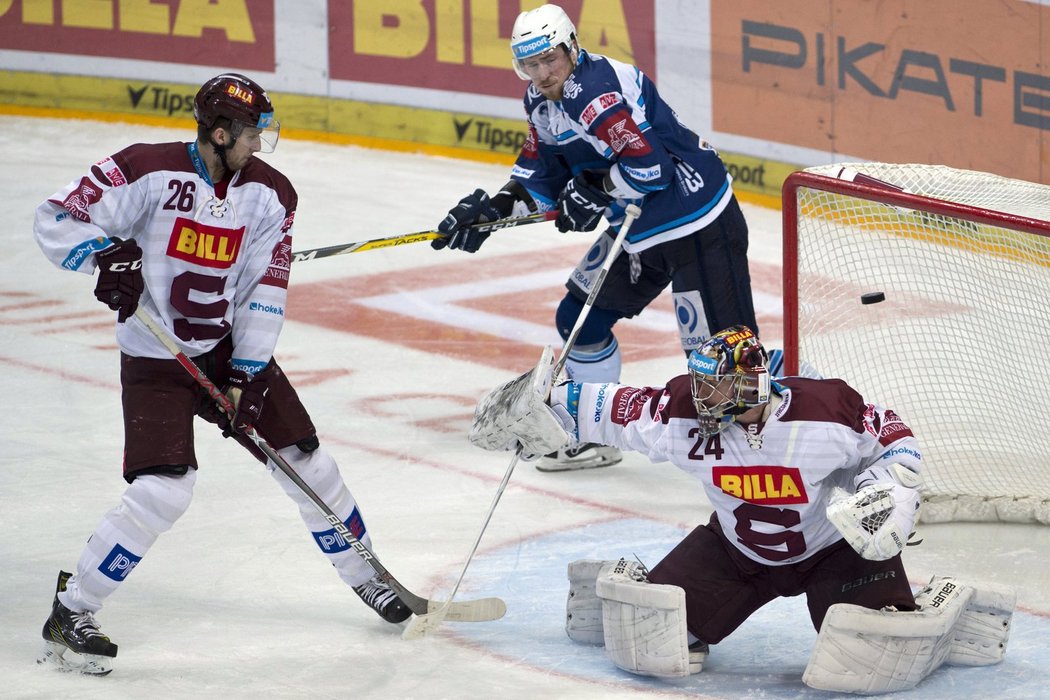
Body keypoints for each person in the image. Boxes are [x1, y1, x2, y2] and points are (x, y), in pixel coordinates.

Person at [33, 73, 411, 676]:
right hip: (155, 356)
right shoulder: (145, 169)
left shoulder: (271, 194)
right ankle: (74, 608)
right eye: (253, 134)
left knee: (306, 461)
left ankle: (367, 573)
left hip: (228, 347)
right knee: (163, 490)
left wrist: (247, 371)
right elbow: (56, 217)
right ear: (219, 132)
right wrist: (103, 257)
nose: (260, 145)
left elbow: (267, 285)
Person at [469, 326, 1015, 692]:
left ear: (753, 380)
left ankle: (950, 609)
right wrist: (540, 406)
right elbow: (602, 405)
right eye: (702, 382)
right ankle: (626, 588)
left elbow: (894, 440)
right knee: (652, 642)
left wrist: (890, 486)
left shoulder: (824, 410)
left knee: (869, 659)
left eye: (718, 384)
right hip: (736, 553)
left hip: (835, 552)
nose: (704, 396)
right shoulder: (680, 412)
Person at [431, 4, 759, 472]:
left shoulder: (593, 93)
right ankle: (592, 439)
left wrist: (597, 190)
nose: (543, 73)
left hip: (695, 222)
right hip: (638, 225)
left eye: (551, 59)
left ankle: (792, 442)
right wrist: (496, 209)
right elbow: (543, 176)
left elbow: (652, 168)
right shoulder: (540, 102)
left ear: (572, 48)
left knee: (725, 360)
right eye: (532, 64)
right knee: (580, 323)